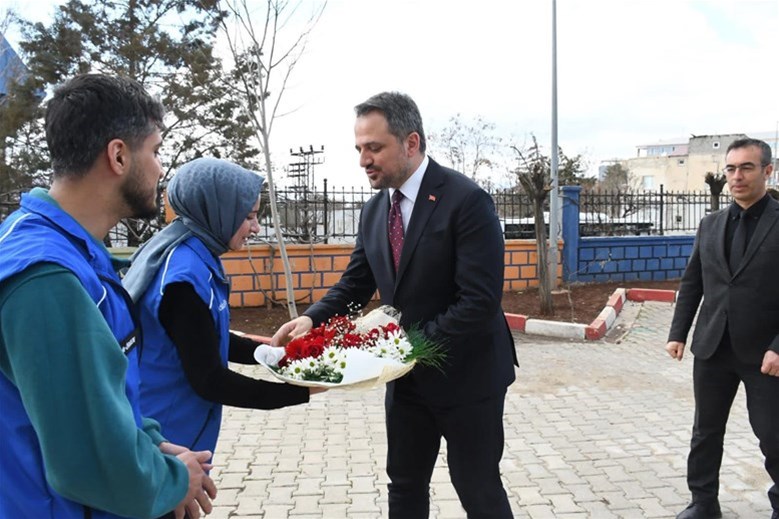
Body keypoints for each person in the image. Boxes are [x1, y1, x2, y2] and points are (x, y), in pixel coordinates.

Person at [273, 92, 518, 518]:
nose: (364, 160)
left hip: (468, 378)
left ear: (411, 143)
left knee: (477, 487)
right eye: (359, 149)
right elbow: (354, 284)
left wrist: (403, 348)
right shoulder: (374, 213)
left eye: (374, 147)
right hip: (406, 383)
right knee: (404, 486)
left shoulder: (466, 201)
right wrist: (310, 318)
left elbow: (478, 301)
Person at [0, 74, 215, 519]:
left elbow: (101, 393)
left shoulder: (72, 251)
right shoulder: (47, 277)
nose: (161, 168)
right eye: (155, 151)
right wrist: (173, 480)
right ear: (118, 155)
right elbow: (90, 461)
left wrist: (153, 443)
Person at [122, 157, 317, 456]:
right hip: (165, 438)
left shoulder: (192, 253)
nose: (256, 228)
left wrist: (275, 355)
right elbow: (209, 379)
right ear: (217, 211)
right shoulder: (183, 279)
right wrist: (301, 391)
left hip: (176, 429)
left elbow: (209, 339)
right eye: (249, 216)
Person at [666, 137, 779, 519]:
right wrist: (678, 333)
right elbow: (693, 281)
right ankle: (703, 502)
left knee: (774, 436)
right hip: (713, 347)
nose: (736, 176)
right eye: (730, 169)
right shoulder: (710, 224)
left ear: (767, 170)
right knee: (705, 432)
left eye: (746, 167)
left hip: (765, 354)